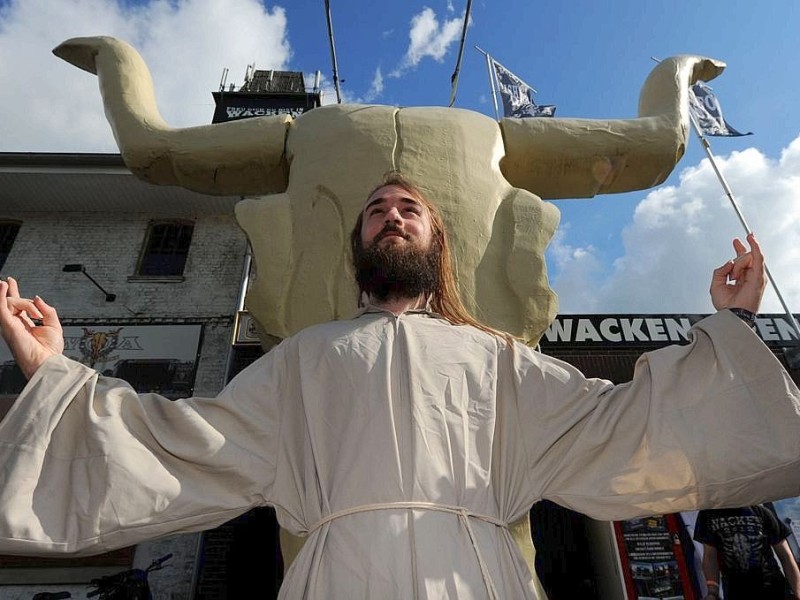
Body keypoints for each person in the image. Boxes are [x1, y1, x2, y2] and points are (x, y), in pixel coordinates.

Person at [0, 173, 798, 599]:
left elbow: (624, 425)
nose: (392, 215)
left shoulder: (499, 360)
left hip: (478, 575)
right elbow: (183, 443)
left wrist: (726, 326)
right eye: (377, 209)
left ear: (435, 240)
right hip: (337, 573)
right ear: (361, 246)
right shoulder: (302, 360)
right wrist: (57, 377)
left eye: (408, 207)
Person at [695, 505, 800, 600]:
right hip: (736, 591)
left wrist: (797, 592)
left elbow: (786, 555)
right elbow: (709, 556)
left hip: (773, 588)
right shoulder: (708, 514)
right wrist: (712, 592)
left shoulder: (761, 510)